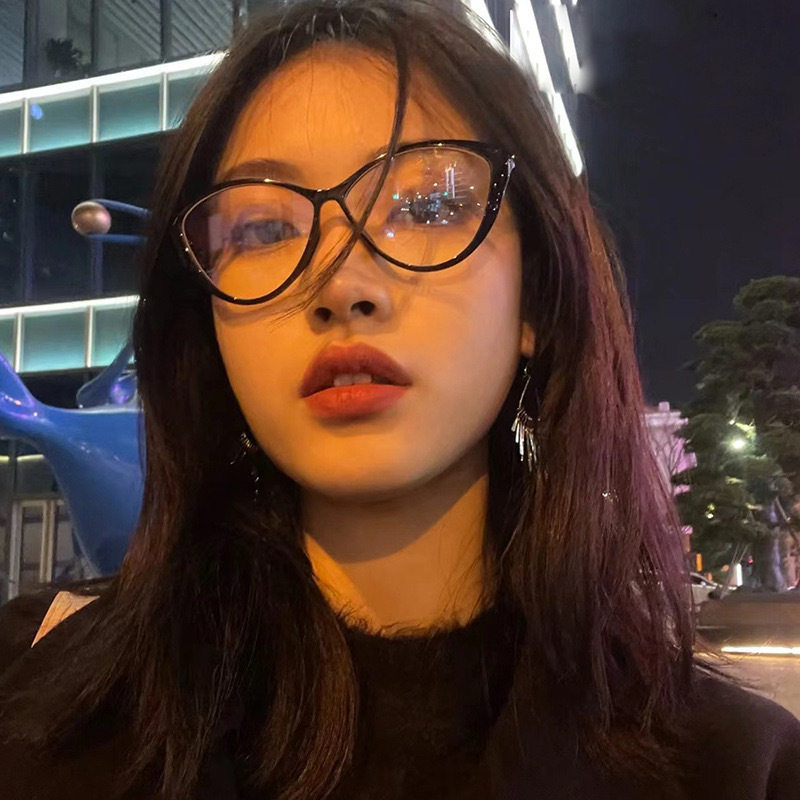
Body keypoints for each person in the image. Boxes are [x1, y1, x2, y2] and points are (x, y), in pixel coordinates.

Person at [1, 2, 799, 799]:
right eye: (264, 230)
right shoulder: (42, 709)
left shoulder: (737, 769)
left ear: (536, 298)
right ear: (206, 323)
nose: (342, 285)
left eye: (427, 205)